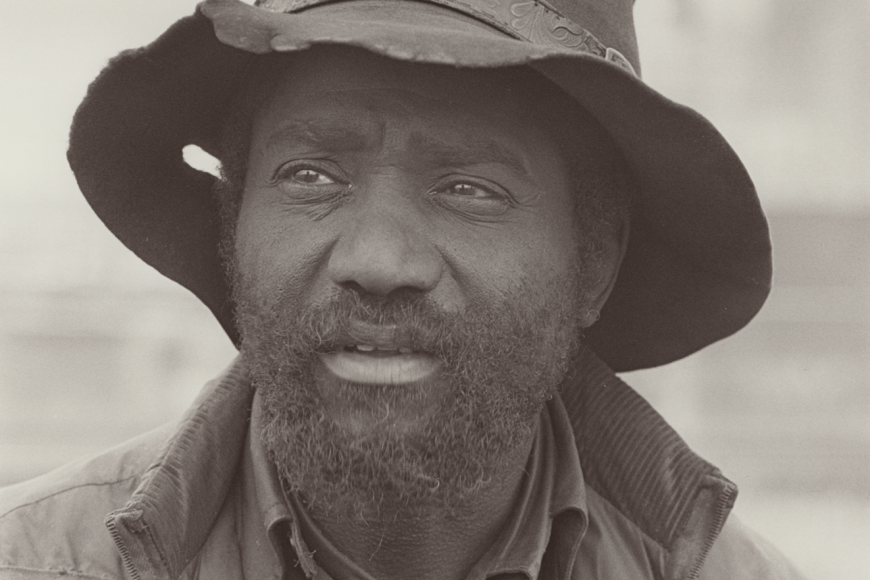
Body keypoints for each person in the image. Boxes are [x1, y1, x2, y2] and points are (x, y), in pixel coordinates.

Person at [0, 0, 806, 578]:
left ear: (592, 263)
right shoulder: (38, 561)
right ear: (232, 224)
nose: (377, 260)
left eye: (470, 189)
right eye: (310, 174)